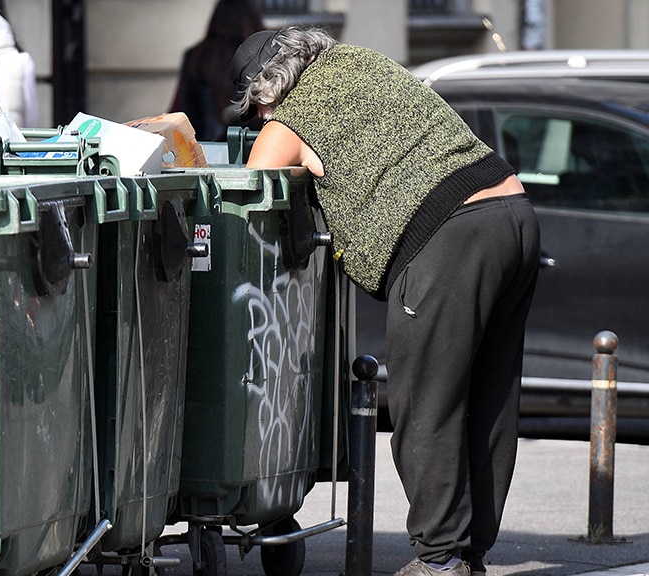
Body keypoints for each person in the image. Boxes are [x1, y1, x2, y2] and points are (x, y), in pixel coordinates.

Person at [230, 27, 540, 576]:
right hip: (512, 212)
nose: (257, 121)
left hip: (450, 236)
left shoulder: (288, 119)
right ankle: (470, 556)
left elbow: (248, 193)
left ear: (267, 90)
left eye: (253, 109)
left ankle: (439, 560)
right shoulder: (363, 64)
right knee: (489, 400)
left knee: (427, 406)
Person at [169, 0, 265, 142]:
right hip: (254, 143)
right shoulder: (263, 55)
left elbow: (181, 108)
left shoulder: (197, 56)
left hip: (204, 146)